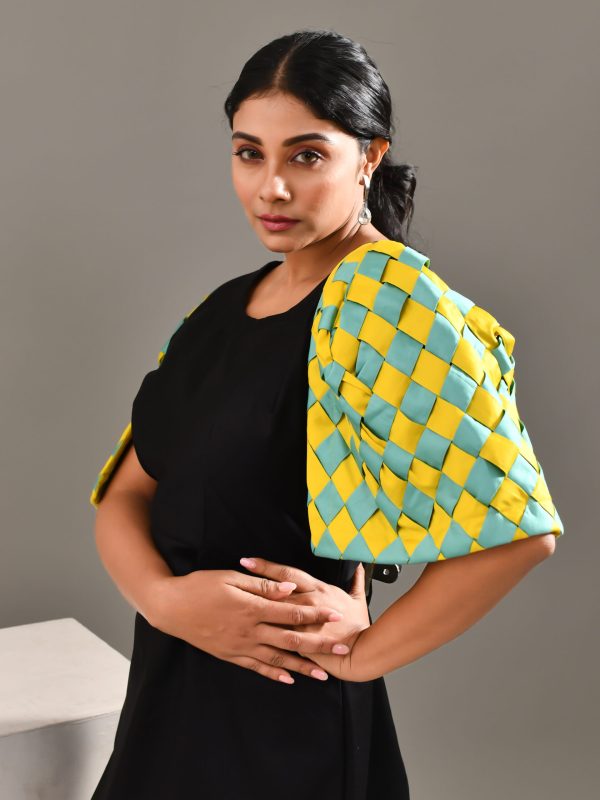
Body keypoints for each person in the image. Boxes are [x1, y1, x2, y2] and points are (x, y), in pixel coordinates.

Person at [89, 29, 557, 800]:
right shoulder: (221, 309)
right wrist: (167, 603)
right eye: (249, 154)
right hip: (166, 705)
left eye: (306, 156)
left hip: (285, 731)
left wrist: (360, 655)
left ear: (369, 157)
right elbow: (125, 493)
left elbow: (518, 531)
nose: (271, 187)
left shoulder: (387, 302)